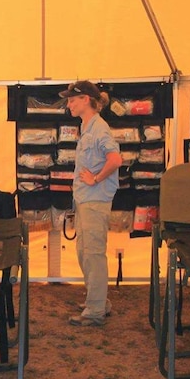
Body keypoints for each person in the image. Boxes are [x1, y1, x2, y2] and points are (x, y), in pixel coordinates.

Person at [60, 80, 123, 327]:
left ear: (86, 99)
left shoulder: (99, 128)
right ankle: (98, 301)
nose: (69, 104)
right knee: (85, 252)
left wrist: (96, 178)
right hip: (86, 199)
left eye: (72, 100)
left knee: (93, 254)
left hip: (95, 200)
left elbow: (116, 159)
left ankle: (95, 311)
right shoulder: (87, 126)